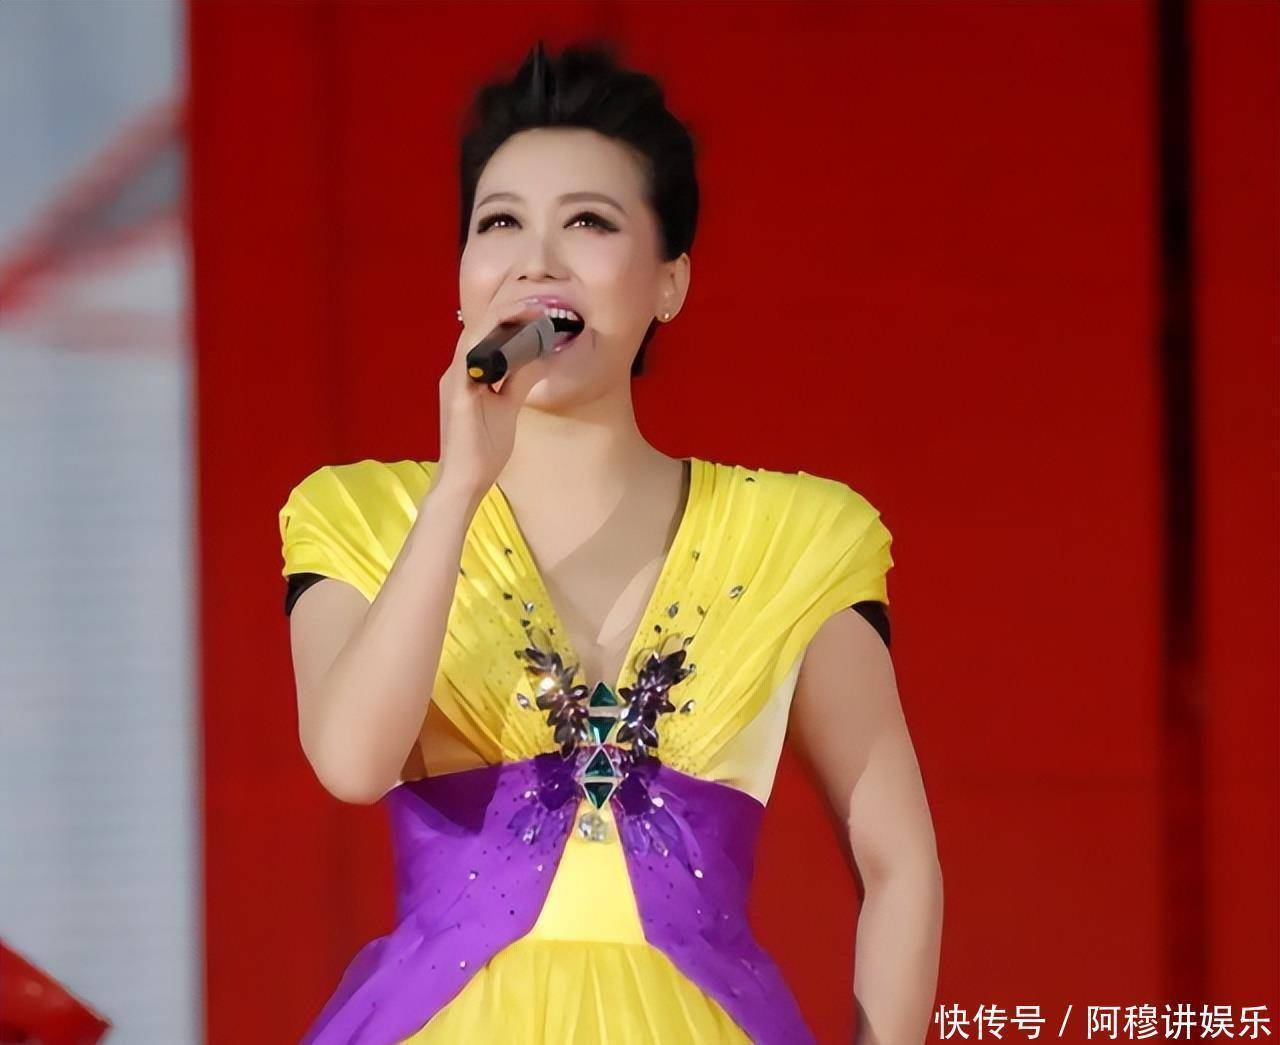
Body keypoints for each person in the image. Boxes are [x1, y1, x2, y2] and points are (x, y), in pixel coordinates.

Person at [278, 38, 942, 1045]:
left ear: (669, 282)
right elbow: (351, 761)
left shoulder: (795, 538)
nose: (537, 260)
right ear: (462, 279)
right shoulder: (359, 514)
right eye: (500, 223)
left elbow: (898, 860)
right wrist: (458, 486)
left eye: (587, 222)